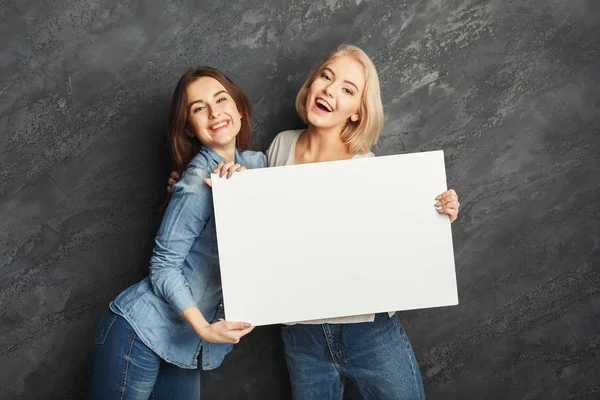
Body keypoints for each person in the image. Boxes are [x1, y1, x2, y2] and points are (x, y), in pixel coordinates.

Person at [169, 45, 460, 399]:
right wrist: (219, 181)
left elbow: (399, 240)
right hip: (302, 336)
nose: (330, 90)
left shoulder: (368, 166)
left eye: (348, 90)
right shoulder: (280, 148)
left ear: (357, 113)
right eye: (326, 77)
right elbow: (257, 218)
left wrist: (439, 208)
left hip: (369, 331)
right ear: (311, 85)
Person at [88, 67, 267, 400]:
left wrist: (246, 189)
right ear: (190, 127)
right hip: (139, 332)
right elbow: (163, 266)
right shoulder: (199, 180)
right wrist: (205, 328)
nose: (215, 112)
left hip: (183, 344)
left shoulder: (257, 165)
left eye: (221, 100)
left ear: (240, 108)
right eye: (199, 108)